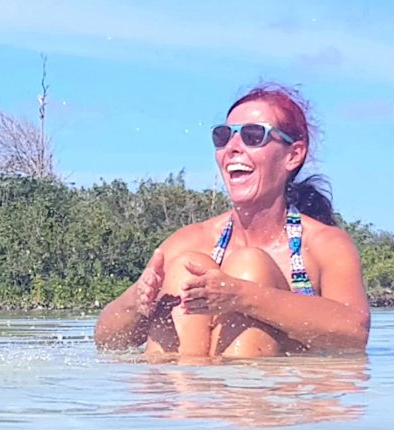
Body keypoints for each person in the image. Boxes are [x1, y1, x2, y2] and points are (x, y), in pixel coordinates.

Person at [94, 83, 370, 357]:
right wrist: (136, 302)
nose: (233, 147)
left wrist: (242, 296)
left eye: (253, 135)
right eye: (223, 136)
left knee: (250, 265)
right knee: (187, 268)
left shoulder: (325, 244)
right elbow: (106, 341)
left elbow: (355, 333)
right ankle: (186, 394)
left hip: (277, 398)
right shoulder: (192, 242)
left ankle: (230, 398)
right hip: (188, 394)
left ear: (293, 155)